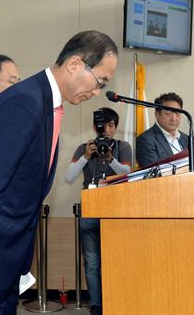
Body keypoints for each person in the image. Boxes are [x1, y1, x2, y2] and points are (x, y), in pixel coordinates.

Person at [0, 30, 118, 313]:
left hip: (4, 258)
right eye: (100, 81)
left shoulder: (42, 101)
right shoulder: (24, 102)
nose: (98, 92)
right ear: (76, 64)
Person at [64, 107, 132, 315]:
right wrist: (86, 155)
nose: (107, 130)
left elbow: (127, 174)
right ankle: (95, 305)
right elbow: (69, 177)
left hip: (115, 210)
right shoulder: (84, 148)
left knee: (114, 259)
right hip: (90, 209)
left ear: (116, 127)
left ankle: (114, 302)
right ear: (95, 127)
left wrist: (110, 158)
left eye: (111, 126)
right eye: (103, 126)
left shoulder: (123, 147)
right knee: (92, 262)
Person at [135, 92, 189, 167]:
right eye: (168, 113)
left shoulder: (186, 138)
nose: (174, 119)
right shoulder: (146, 140)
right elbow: (152, 173)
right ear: (157, 114)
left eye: (177, 113)